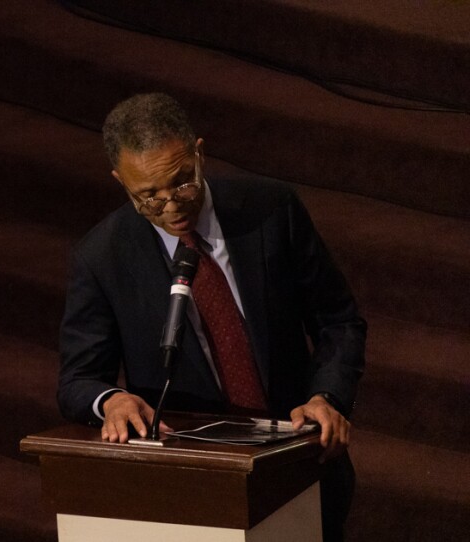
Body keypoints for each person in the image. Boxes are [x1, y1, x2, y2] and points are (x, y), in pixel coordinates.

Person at [57, 93, 366, 541]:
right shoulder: (102, 257)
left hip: (300, 468)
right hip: (192, 488)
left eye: (182, 182)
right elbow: (78, 379)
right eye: (148, 197)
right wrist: (111, 401)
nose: (171, 206)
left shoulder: (272, 210)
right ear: (120, 182)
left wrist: (328, 397)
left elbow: (339, 320)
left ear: (199, 153)